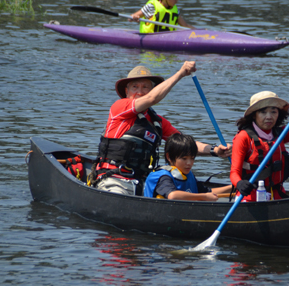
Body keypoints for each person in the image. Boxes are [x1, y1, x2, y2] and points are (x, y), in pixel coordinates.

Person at [92, 61, 231, 196]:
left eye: (145, 87)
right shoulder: (120, 107)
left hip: (143, 182)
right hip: (114, 180)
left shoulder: (157, 122)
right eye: (135, 87)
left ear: (152, 89)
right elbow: (152, 99)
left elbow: (186, 146)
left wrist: (215, 150)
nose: (140, 92)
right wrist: (181, 73)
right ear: (126, 91)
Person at [230, 91, 289, 202]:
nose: (269, 117)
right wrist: (239, 183)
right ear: (254, 115)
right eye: (263, 112)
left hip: (277, 195)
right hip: (250, 197)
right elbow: (234, 172)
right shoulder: (243, 137)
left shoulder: (280, 133)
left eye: (273, 112)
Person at [144, 133, 234, 201]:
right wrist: (204, 197)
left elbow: (209, 192)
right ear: (169, 157)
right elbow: (172, 196)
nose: (189, 163)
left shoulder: (188, 175)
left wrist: (234, 186)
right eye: (184, 159)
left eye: (192, 158)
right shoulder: (164, 177)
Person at [129, 0, 194, 33]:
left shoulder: (175, 9)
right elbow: (131, 17)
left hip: (167, 39)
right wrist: (134, 17)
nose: (177, 0)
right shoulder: (152, 6)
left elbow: (185, 25)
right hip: (149, 38)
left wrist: (199, 32)